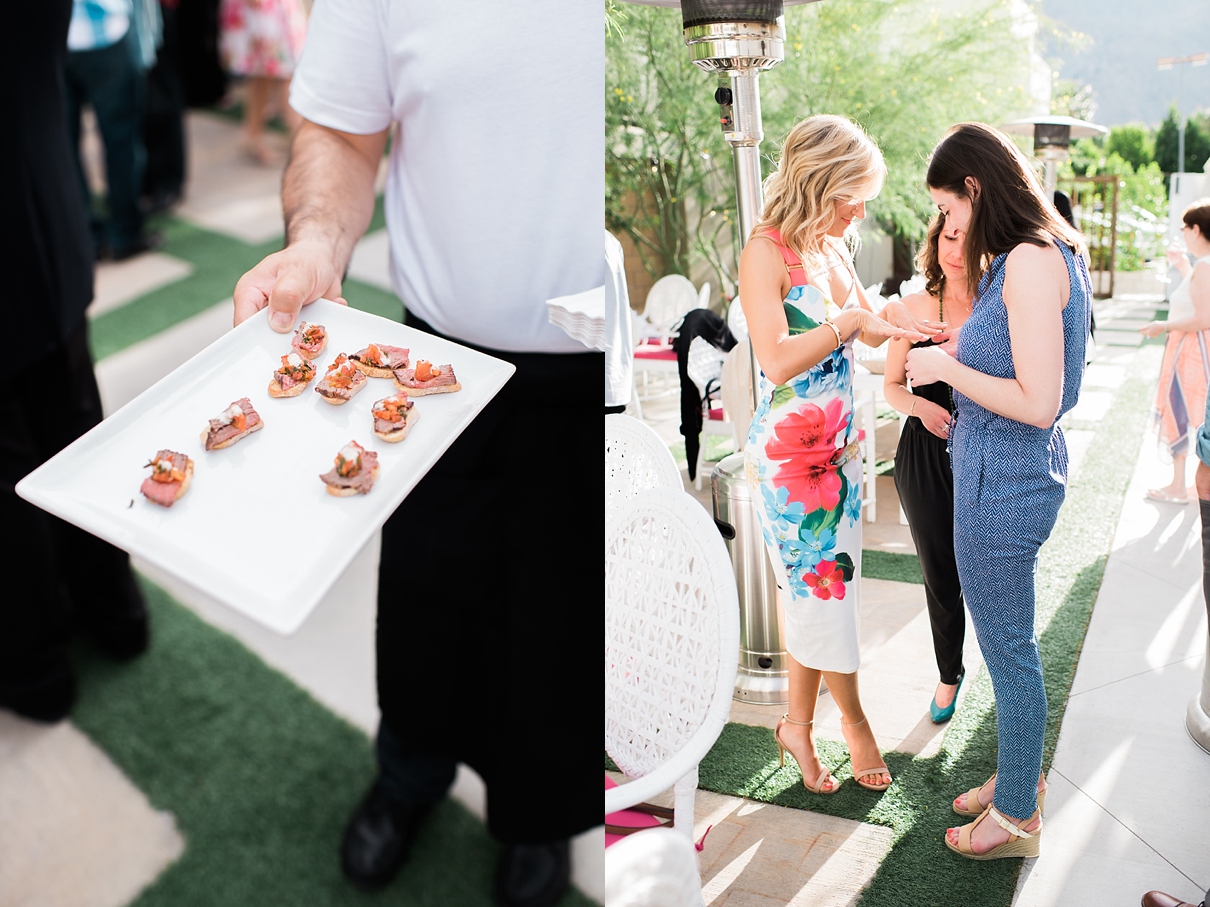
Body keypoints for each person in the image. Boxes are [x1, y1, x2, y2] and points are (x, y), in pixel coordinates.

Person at [230, 4, 601, 905]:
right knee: (428, 597)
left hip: (602, 385)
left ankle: (538, 815)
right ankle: (408, 776)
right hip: (435, 364)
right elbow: (341, 131)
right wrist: (316, 241)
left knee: (566, 624)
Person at [904, 122, 1091, 860]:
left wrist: (946, 371)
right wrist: (949, 347)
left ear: (974, 190)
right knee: (1008, 647)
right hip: (1004, 474)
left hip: (1002, 484)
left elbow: (1038, 398)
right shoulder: (1043, 251)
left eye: (950, 210)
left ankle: (1016, 816)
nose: (949, 226)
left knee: (1010, 652)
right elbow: (1015, 358)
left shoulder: (1027, 261)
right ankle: (1017, 778)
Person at [739, 114, 934, 797]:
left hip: (841, 455)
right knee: (827, 597)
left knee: (816, 597)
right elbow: (778, 357)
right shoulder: (766, 251)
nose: (861, 209)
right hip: (794, 463)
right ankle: (852, 721)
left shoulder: (832, 246)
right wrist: (848, 322)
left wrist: (911, 324)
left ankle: (796, 723)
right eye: (855, 193)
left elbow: (869, 331)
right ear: (823, 182)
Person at [1, 0, 150, 722]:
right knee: (76, 427)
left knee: (14, 469)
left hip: (38, 199)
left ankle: (35, 668)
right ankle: (114, 613)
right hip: (42, 206)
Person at [882, 215, 972, 724]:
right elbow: (892, 386)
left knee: (986, 570)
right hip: (923, 454)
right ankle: (948, 672)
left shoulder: (996, 306)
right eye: (945, 237)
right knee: (940, 572)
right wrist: (920, 408)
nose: (952, 249)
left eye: (963, 237)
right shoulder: (913, 309)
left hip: (987, 452)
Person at [64, 0, 162, 261]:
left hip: (57, 42)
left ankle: (87, 236)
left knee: (66, 146)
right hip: (105, 34)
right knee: (121, 141)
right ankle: (125, 233)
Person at [1139, 199, 1210, 503]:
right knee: (1187, 412)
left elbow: (1204, 317)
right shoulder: (1202, 265)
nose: (1182, 233)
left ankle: (1179, 486)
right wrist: (1182, 265)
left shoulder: (1205, 266)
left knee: (1181, 411)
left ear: (1196, 229)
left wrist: (1162, 326)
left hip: (1192, 351)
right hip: (1191, 349)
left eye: (1184, 228)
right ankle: (1182, 483)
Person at [218, 0, 305, 164]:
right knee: (285, 67)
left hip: (273, 6)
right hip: (263, 6)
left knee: (265, 70)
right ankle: (299, 139)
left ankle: (253, 135)